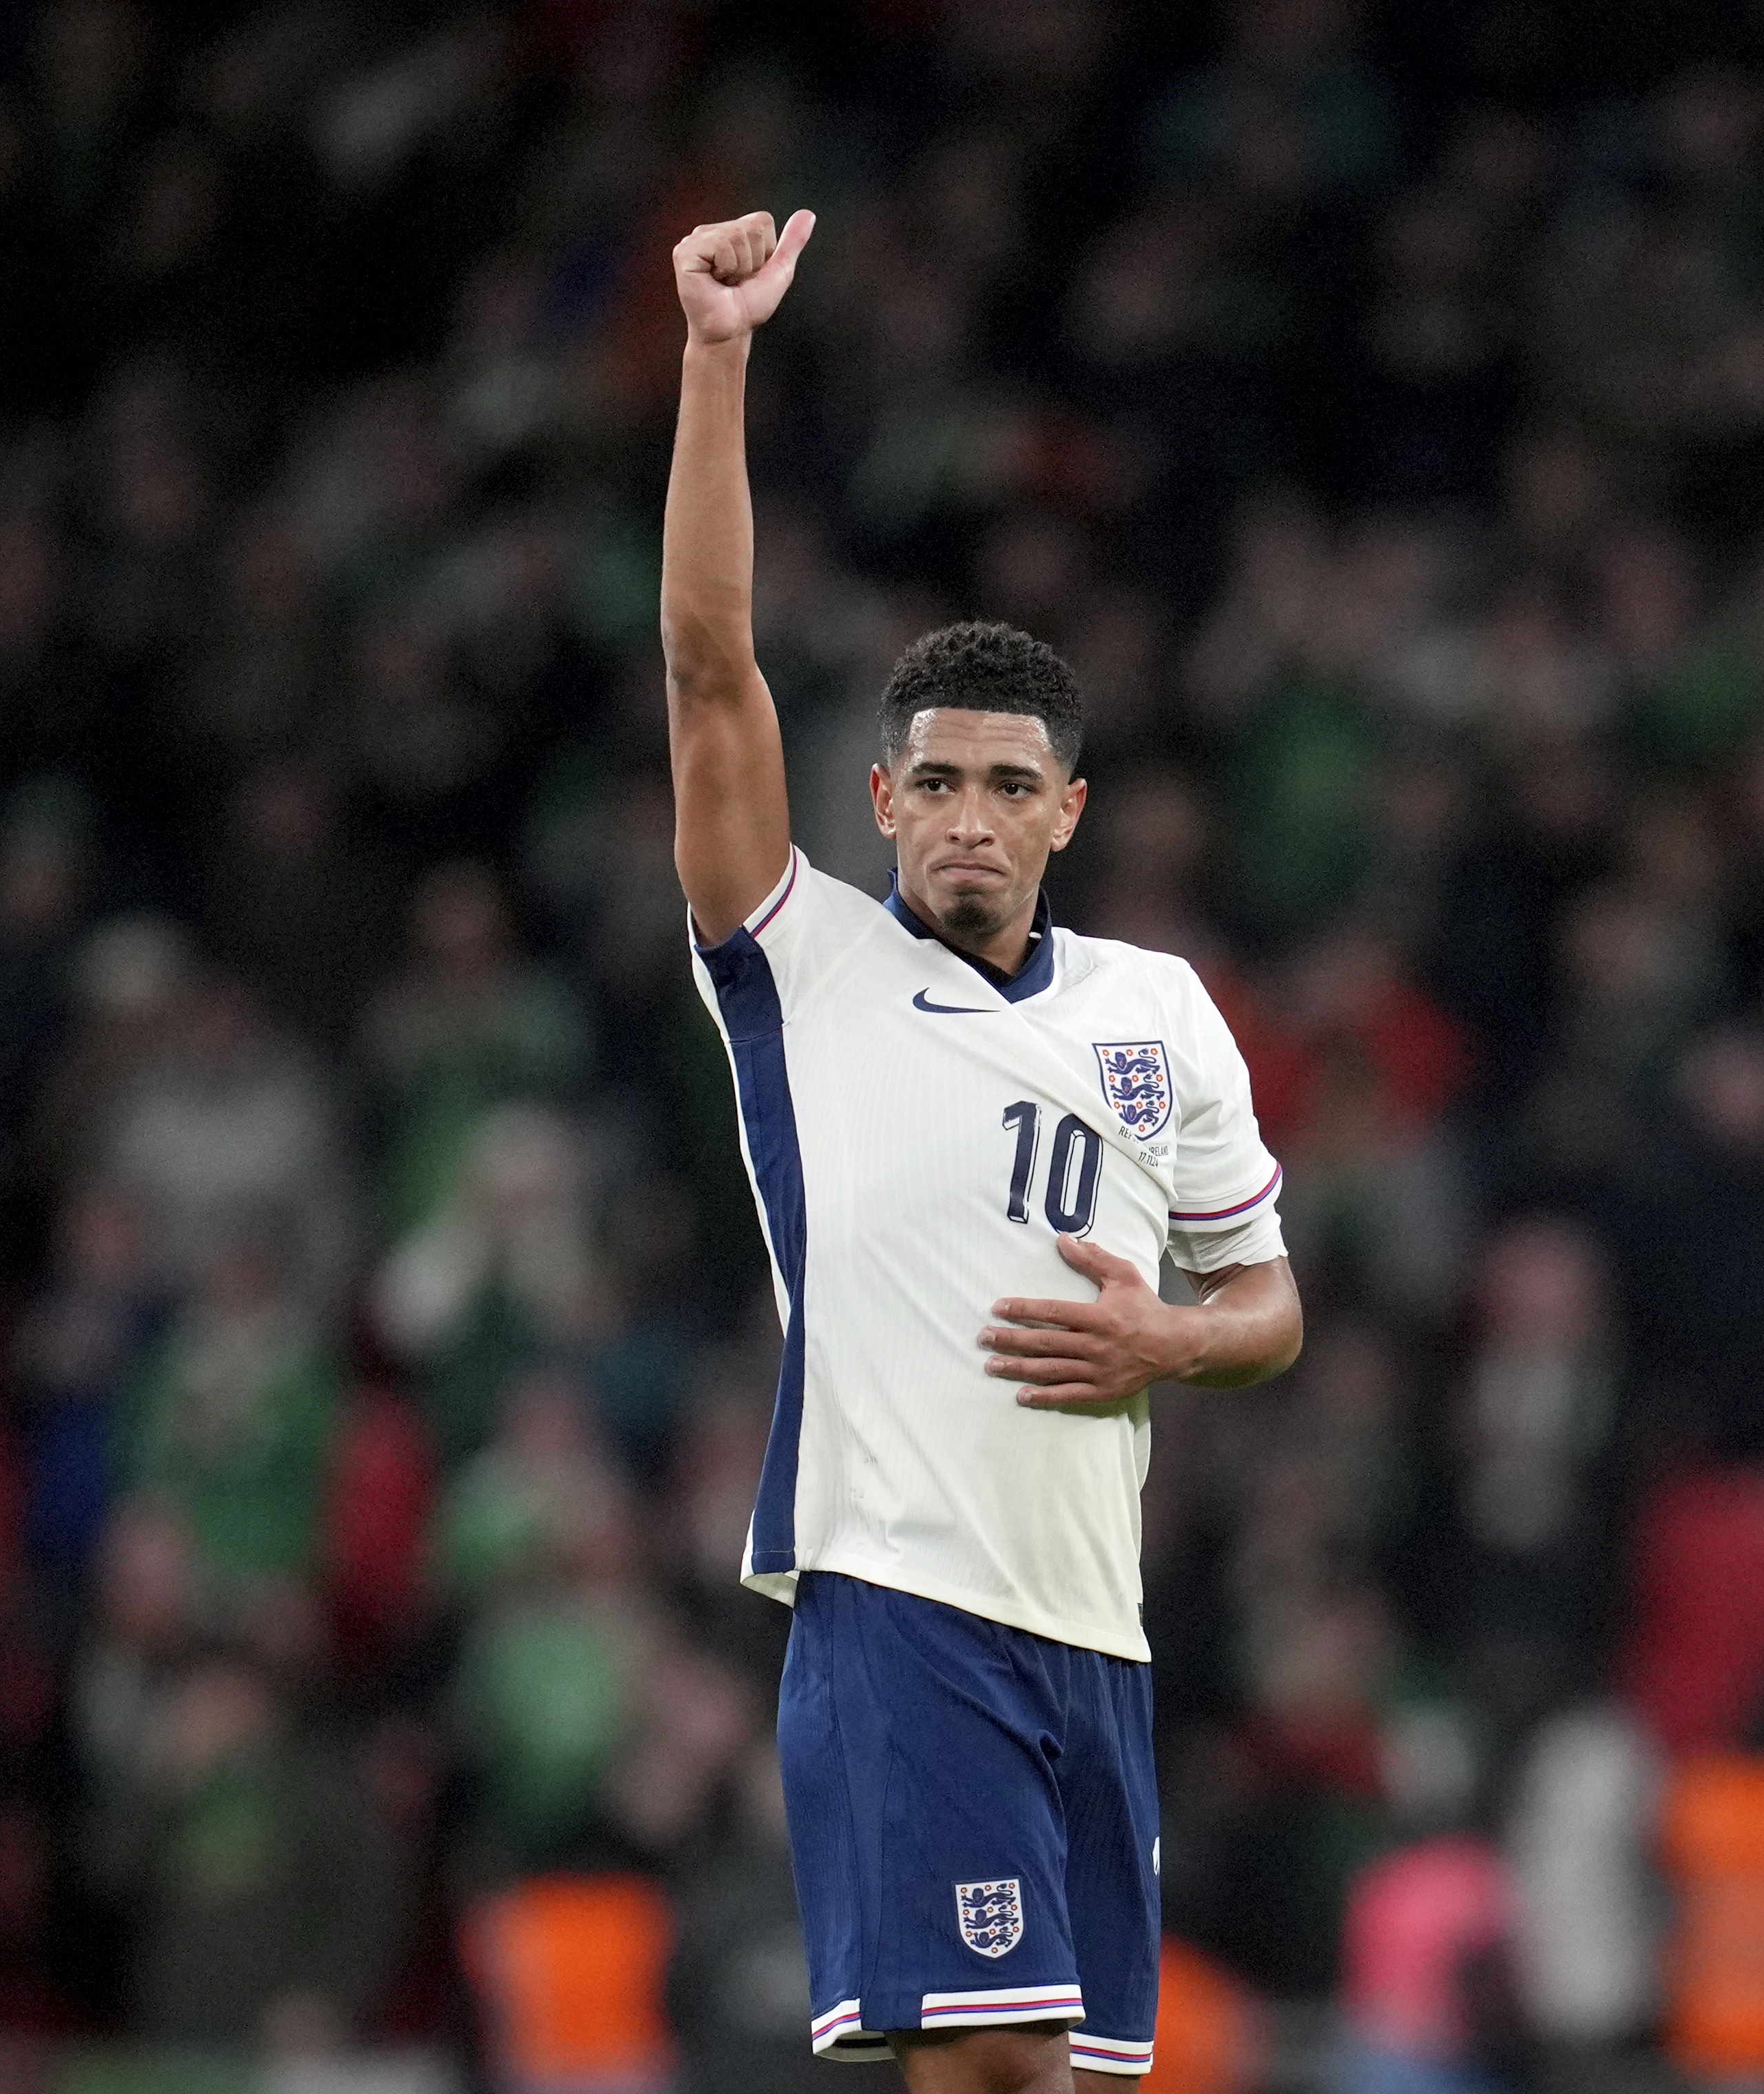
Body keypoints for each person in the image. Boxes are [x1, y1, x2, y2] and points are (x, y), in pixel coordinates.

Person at [659, 209, 1305, 2094]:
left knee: (1073, 2084)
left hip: (1090, 1631)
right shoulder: (807, 965)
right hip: (902, 1600)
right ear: (880, 800)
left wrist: (1171, 1340)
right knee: (993, 2072)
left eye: (1008, 786)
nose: (965, 817)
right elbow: (710, 671)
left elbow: (1263, 1298)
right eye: (931, 780)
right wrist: (717, 362)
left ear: (1068, 813)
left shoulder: (1158, 1008)